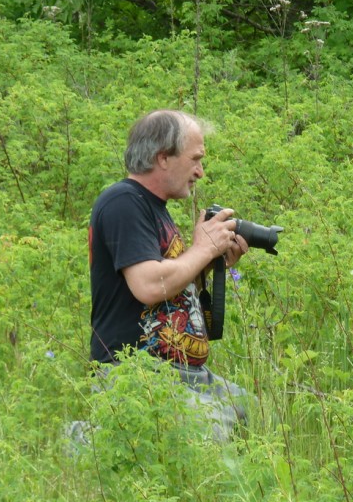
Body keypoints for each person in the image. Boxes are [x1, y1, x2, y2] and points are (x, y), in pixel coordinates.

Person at [88, 109, 250, 441]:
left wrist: (210, 262)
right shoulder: (123, 202)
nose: (200, 172)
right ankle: (85, 441)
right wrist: (203, 249)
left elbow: (169, 285)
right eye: (195, 160)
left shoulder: (153, 208)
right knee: (212, 437)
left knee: (252, 412)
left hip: (181, 372)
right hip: (135, 373)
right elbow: (148, 285)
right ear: (163, 158)